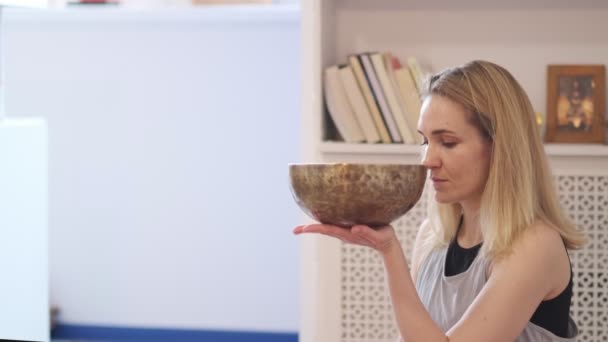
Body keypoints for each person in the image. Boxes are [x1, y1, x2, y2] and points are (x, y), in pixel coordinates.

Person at [293, 60, 585, 341]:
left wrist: (389, 252)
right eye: (425, 141)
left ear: (500, 148)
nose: (428, 160)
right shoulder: (432, 236)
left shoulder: (535, 244)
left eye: (447, 142)